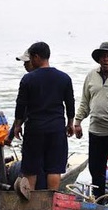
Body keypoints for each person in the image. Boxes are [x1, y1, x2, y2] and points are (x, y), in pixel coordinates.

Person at [12, 41, 75, 192]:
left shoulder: (28, 79)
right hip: (56, 128)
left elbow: (21, 105)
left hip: (35, 129)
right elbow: (70, 103)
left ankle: (31, 203)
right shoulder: (64, 78)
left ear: (37, 57)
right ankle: (51, 202)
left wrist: (17, 125)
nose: (31, 62)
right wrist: (70, 123)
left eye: (32, 58)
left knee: (31, 169)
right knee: (54, 168)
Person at [74, 42, 108, 203]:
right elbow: (85, 102)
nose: (105, 59)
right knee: (96, 170)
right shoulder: (91, 75)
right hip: (95, 131)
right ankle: (99, 201)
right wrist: (78, 121)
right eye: (102, 56)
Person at [4, 48, 34, 146]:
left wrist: (11, 135)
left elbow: (23, 109)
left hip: (34, 129)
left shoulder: (28, 80)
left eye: (26, 62)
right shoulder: (58, 78)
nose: (24, 65)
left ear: (35, 60)